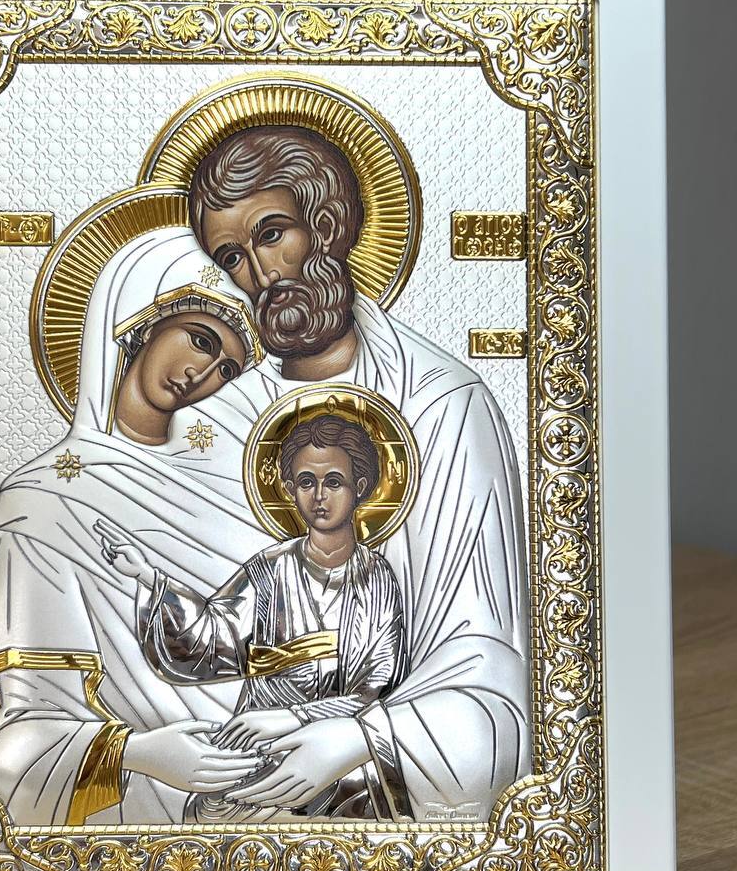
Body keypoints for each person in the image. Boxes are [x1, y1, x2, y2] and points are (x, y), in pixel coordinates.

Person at [184, 125, 532, 821]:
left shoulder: (442, 406)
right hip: (253, 750)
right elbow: (200, 651)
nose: (261, 273)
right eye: (233, 258)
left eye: (272, 234)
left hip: (384, 755)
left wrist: (358, 737)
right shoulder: (219, 422)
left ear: (328, 224)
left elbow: (482, 668)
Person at [0, 227, 271, 827]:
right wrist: (138, 753)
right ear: (142, 320)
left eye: (227, 369)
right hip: (132, 802)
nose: (202, 373)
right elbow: (9, 733)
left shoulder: (230, 492)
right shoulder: (38, 503)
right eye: (200, 339)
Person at [98, 413, 409, 820]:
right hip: (259, 748)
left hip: (340, 754)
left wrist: (295, 717)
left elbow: (378, 692)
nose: (319, 496)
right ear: (290, 490)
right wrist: (150, 578)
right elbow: (211, 639)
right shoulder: (267, 570)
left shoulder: (377, 580)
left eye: (334, 482)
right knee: (209, 812)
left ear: (360, 487)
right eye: (306, 482)